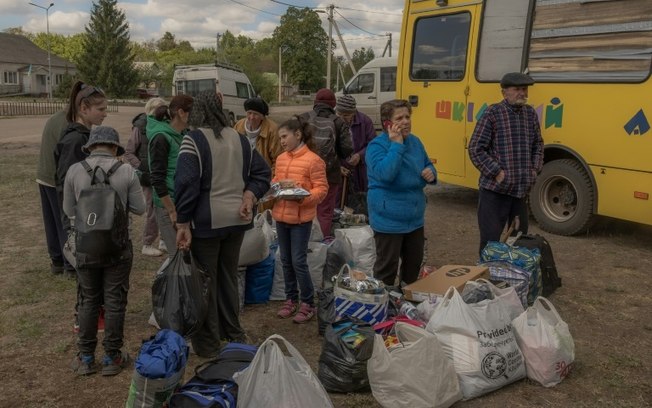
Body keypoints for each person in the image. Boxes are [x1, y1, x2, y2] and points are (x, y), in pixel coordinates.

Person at [175, 90, 271, 357]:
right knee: (228, 276)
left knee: (205, 281)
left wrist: (182, 222)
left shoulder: (193, 140)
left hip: (206, 223)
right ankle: (232, 331)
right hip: (237, 222)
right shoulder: (240, 139)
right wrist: (249, 195)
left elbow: (185, 183)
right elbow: (263, 173)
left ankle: (208, 343)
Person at [64, 126, 146, 376]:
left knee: (88, 299)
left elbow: (69, 210)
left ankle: (86, 357)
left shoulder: (74, 171)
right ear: (114, 147)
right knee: (114, 300)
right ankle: (112, 357)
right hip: (117, 247)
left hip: (85, 247)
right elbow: (141, 209)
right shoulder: (127, 171)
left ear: (90, 146)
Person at [468, 72, 544, 255]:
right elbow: (475, 148)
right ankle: (487, 278)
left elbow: (538, 144)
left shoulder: (530, 114)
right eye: (517, 89)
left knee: (518, 239)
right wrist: (496, 172)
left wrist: (534, 169)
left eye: (524, 89)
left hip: (519, 192)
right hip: (495, 192)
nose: (522, 93)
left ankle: (511, 278)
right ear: (504, 93)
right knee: (490, 241)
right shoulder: (493, 113)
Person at [366, 99, 437, 287]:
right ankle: (384, 307)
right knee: (386, 268)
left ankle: (406, 304)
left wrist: (431, 172)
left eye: (408, 116)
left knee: (413, 266)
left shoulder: (415, 142)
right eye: (399, 118)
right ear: (387, 123)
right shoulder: (376, 146)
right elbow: (385, 175)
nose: (406, 121)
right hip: (388, 220)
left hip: (414, 219)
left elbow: (426, 164)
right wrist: (396, 145)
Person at [272, 116, 328, 323]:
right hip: (281, 216)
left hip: (301, 219)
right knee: (285, 260)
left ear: (297, 134)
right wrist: (274, 188)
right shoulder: (281, 158)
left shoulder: (313, 160)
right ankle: (290, 299)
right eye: (280, 138)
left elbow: (322, 189)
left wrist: (303, 197)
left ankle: (308, 303)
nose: (282, 142)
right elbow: (277, 181)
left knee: (298, 262)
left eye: (284, 137)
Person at [55, 81, 109, 276]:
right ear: (84, 108)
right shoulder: (75, 140)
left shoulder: (85, 136)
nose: (105, 113)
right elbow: (66, 183)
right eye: (100, 109)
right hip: (80, 218)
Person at [300, 88, 353, 237]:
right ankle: (321, 246)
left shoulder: (303, 118)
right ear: (333, 104)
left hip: (304, 172)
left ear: (315, 102)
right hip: (329, 174)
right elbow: (347, 150)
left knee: (304, 209)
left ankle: (304, 244)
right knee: (325, 211)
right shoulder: (338, 122)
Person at [147, 95, 194, 259]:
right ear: (181, 113)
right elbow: (157, 179)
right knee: (178, 257)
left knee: (186, 257)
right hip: (169, 206)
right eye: (193, 112)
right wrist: (172, 211)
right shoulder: (161, 138)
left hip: (183, 203)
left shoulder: (184, 134)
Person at [122, 97, 167, 257]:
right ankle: (147, 243)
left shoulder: (166, 124)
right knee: (152, 210)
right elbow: (129, 151)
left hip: (163, 175)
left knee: (165, 207)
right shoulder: (140, 127)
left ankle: (163, 239)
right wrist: (141, 166)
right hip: (148, 177)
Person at [36, 110, 69, 274]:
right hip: (55, 179)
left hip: (44, 175)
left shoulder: (55, 117)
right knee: (64, 221)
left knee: (51, 221)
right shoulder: (69, 123)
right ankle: (68, 262)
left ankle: (57, 261)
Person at [335, 94, 376, 206]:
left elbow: (373, 145)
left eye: (346, 115)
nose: (342, 118)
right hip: (339, 170)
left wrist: (360, 155)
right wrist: (337, 165)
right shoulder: (331, 122)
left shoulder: (365, 121)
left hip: (360, 170)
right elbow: (326, 149)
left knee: (360, 201)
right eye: (340, 114)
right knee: (338, 204)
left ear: (354, 112)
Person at [233, 97, 282, 169]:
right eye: (249, 113)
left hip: (263, 173)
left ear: (262, 117)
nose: (252, 117)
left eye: (255, 114)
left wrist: (269, 178)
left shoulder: (273, 130)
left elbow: (278, 159)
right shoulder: (239, 125)